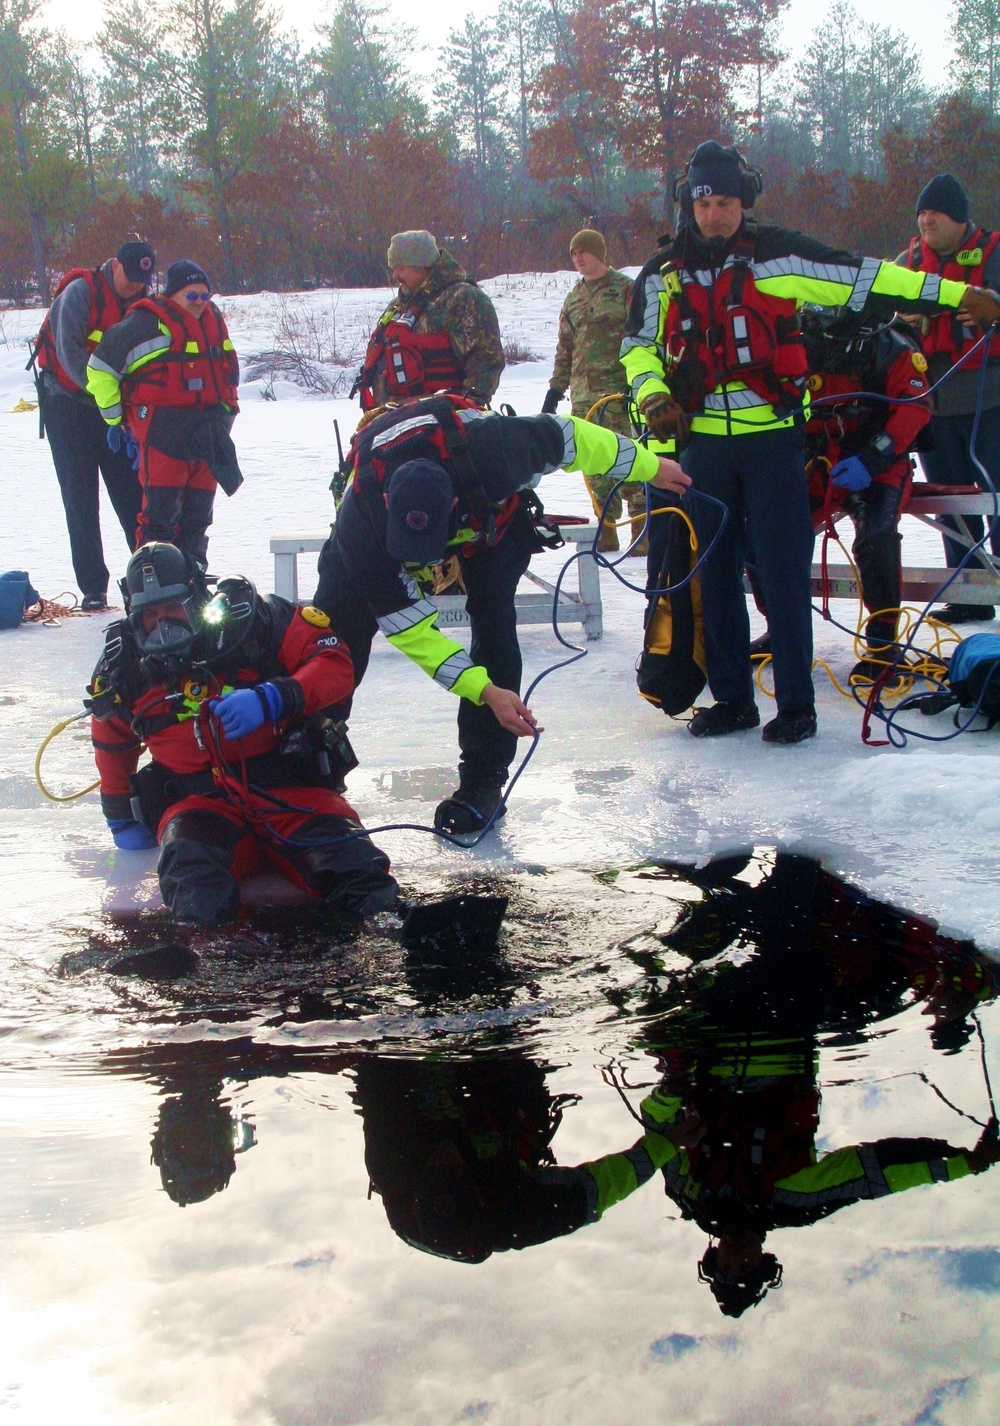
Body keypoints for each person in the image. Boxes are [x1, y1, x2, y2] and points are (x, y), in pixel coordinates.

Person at [621, 141, 1000, 744]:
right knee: (714, 575)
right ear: (686, 204)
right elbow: (637, 345)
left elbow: (869, 278)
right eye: (704, 203)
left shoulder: (780, 257)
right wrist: (651, 393)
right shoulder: (663, 274)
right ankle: (733, 701)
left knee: (783, 571)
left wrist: (956, 296)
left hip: (774, 445)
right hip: (701, 451)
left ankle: (797, 705)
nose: (714, 214)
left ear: (743, 201)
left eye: (725, 202)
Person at [313, 395, 690, 832]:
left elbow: (575, 438)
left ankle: (483, 784)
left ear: (452, 506)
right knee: (333, 633)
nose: (430, 572)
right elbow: (411, 630)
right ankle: (314, 766)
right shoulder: (361, 520)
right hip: (373, 532)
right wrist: (483, 690)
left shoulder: (495, 450)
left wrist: (649, 466)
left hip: (491, 525)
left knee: (493, 624)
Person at [87, 542, 399, 926]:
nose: (164, 623)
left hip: (293, 794)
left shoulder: (255, 621)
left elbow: (333, 664)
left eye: (173, 608)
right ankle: (208, 969)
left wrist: (274, 698)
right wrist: (120, 814)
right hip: (201, 806)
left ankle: (396, 937)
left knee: (356, 870)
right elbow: (111, 734)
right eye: (151, 615)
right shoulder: (125, 665)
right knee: (194, 887)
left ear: (197, 596)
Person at [798, 308, 932, 682]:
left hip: (878, 464)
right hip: (816, 462)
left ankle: (883, 646)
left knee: (876, 538)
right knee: (761, 535)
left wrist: (873, 459)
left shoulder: (888, 342)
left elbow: (915, 407)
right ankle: (782, 630)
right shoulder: (794, 340)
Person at [86, 259, 242, 571]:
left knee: (197, 520)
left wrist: (226, 415)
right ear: (172, 294)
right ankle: (151, 589)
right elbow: (99, 369)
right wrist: (116, 419)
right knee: (159, 520)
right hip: (163, 435)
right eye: (191, 296)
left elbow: (226, 368)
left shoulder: (213, 319)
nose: (199, 304)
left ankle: (192, 583)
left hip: (207, 435)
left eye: (204, 296)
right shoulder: (144, 323)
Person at [31, 239, 156, 610]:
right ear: (114, 265)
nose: (135, 287)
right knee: (80, 497)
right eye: (130, 278)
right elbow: (69, 353)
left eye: (142, 282)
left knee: (131, 492)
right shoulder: (79, 293)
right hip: (67, 405)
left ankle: (146, 575)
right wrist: (105, 394)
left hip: (112, 410)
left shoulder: (141, 304)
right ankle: (92, 587)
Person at [899, 173, 1000, 622]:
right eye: (921, 212)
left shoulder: (995, 255)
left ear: (959, 218)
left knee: (996, 499)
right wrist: (900, 316)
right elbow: (875, 308)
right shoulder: (908, 261)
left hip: (991, 401)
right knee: (951, 508)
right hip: (936, 405)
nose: (926, 220)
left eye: (935, 212)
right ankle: (968, 595)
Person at [543, 230, 646, 554]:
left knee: (627, 458)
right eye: (574, 253)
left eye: (584, 251)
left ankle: (642, 527)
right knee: (594, 465)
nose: (578, 258)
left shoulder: (625, 289)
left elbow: (641, 337)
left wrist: (639, 382)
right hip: (584, 396)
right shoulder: (573, 298)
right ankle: (606, 530)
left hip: (618, 393)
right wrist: (555, 390)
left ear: (599, 253)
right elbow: (565, 349)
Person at [351, 230, 504, 410]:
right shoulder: (397, 307)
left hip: (444, 426)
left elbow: (485, 365)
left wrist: (459, 412)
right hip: (393, 425)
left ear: (420, 266)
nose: (394, 276)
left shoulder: (464, 300)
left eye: (400, 268)